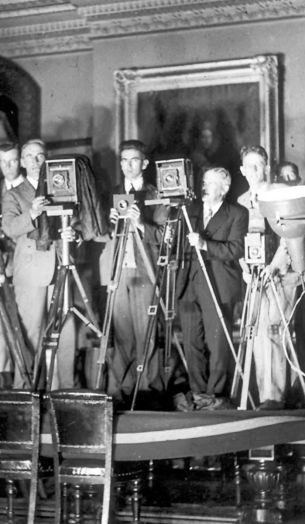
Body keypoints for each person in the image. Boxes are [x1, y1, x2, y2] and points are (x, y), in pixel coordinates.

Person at [1, 139, 76, 389]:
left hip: (61, 268)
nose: (35, 162)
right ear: (21, 162)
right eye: (29, 157)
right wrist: (31, 213)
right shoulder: (14, 194)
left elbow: (76, 224)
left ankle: (62, 391)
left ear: (47, 159)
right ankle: (24, 392)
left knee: (65, 335)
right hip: (31, 271)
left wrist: (72, 236)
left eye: (40, 156)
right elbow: (10, 228)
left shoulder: (61, 188)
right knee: (30, 336)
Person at [237, 145, 305, 409]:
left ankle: (275, 397)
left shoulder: (282, 194)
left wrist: (275, 266)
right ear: (242, 171)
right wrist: (245, 267)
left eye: (258, 165)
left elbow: (292, 234)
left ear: (266, 167)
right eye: (248, 166)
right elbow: (237, 238)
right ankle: (265, 393)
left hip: (281, 276)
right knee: (256, 335)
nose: (253, 171)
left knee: (274, 331)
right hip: (254, 278)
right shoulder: (242, 200)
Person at [177, 167, 248, 410]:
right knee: (191, 340)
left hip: (218, 283)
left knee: (217, 342)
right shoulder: (191, 211)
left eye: (210, 183)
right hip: (190, 284)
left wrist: (205, 244)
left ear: (224, 189)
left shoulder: (237, 213)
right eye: (204, 181)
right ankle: (198, 393)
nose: (204, 187)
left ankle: (216, 393)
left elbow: (236, 249)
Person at [100, 139, 166, 402]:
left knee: (146, 333)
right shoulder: (112, 194)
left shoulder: (156, 194)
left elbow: (163, 235)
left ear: (145, 163)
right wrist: (109, 224)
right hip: (119, 270)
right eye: (124, 160)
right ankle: (120, 392)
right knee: (122, 335)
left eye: (134, 160)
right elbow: (100, 234)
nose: (128, 165)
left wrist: (140, 223)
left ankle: (150, 391)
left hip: (145, 270)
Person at [0, 142, 23, 374]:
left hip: (21, 266)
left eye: (13, 160)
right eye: (4, 161)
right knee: (2, 329)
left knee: (22, 326)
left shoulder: (28, 190)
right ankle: (4, 376)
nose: (8, 166)